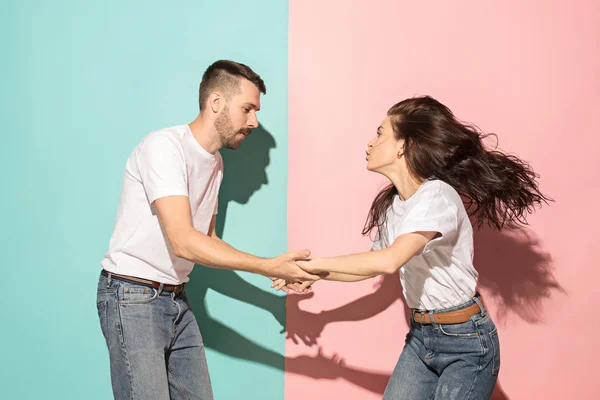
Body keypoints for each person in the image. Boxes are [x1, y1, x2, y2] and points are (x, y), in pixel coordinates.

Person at [274, 95, 550, 399]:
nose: (370, 143)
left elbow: (390, 261)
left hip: (467, 344)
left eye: (380, 133)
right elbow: (371, 264)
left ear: (403, 145)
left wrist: (312, 264)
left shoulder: (436, 196)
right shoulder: (394, 204)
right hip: (422, 339)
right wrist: (314, 275)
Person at [96, 60, 321, 400]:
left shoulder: (215, 163)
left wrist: (273, 272)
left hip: (175, 298)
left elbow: (207, 239)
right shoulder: (164, 147)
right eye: (247, 109)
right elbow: (184, 242)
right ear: (216, 102)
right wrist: (268, 266)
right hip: (132, 296)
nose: (254, 121)